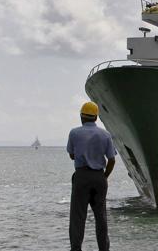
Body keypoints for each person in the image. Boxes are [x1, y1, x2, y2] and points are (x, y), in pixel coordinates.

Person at [67, 101, 116, 251]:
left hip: (81, 177)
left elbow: (72, 155)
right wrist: (104, 176)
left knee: (78, 217)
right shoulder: (106, 134)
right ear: (96, 118)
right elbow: (112, 160)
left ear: (82, 117)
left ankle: (76, 248)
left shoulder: (74, 133)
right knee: (101, 218)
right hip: (99, 178)